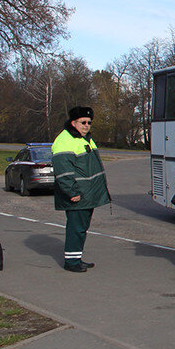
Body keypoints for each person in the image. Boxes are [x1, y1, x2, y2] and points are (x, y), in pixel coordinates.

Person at [52, 106, 111, 272]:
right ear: (73, 122)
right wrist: (72, 193)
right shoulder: (65, 140)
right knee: (76, 228)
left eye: (89, 122)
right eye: (83, 122)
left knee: (81, 228)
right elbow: (63, 172)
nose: (86, 125)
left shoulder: (84, 139)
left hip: (86, 195)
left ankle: (76, 258)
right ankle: (71, 263)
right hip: (77, 195)